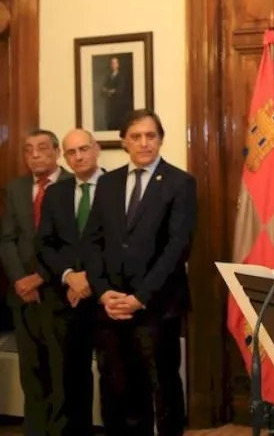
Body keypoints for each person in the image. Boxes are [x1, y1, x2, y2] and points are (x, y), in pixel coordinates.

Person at [84, 110, 197, 436]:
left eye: (151, 135)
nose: (144, 142)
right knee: (119, 388)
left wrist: (140, 298)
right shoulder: (108, 182)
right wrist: (104, 291)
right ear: (124, 142)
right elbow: (93, 242)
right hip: (112, 305)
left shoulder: (180, 183)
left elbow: (177, 248)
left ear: (161, 139)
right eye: (136, 136)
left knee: (163, 387)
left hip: (157, 307)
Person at [0, 129, 71, 436]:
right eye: (28, 150)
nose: (35, 155)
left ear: (57, 152)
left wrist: (40, 278)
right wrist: (20, 280)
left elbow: (74, 243)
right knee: (32, 371)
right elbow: (7, 239)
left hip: (59, 291)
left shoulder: (73, 184)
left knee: (61, 369)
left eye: (42, 148)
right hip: (23, 296)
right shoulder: (15, 188)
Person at [36, 128, 104, 435]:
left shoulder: (116, 187)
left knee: (114, 376)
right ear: (65, 157)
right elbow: (45, 244)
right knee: (72, 379)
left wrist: (89, 279)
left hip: (106, 296)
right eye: (71, 152)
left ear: (97, 149)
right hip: (66, 299)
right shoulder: (57, 193)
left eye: (84, 149)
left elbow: (119, 243)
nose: (78, 156)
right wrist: (69, 276)